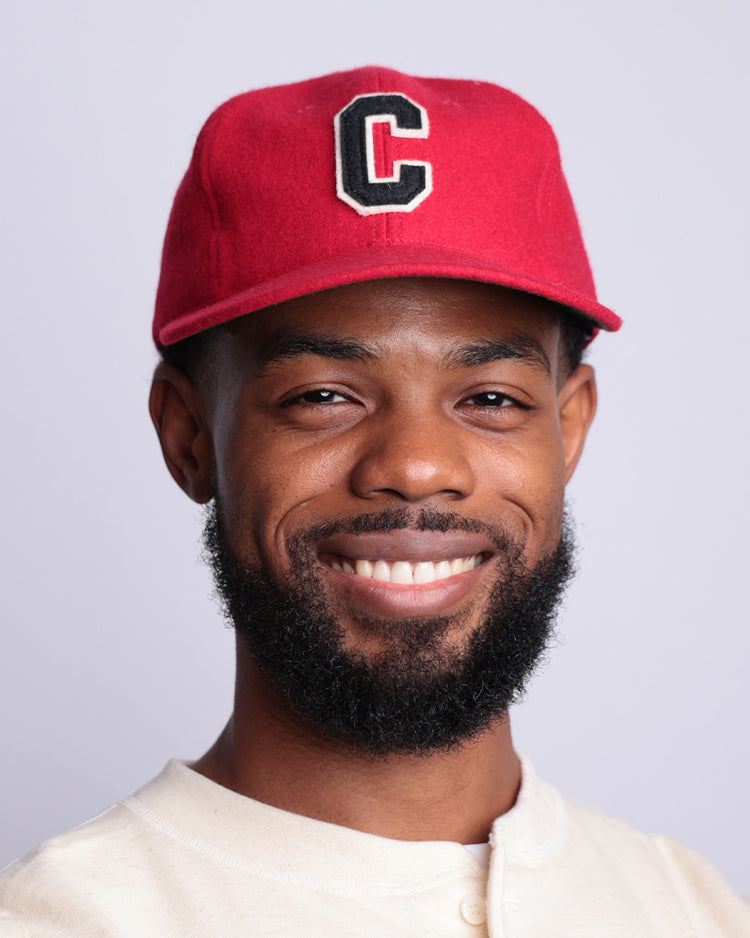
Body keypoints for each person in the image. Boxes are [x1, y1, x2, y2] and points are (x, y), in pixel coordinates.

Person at [1, 66, 747, 937]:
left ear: (568, 428)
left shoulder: (691, 908)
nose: (419, 466)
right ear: (190, 436)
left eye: (493, 399)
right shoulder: (60, 922)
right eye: (324, 396)